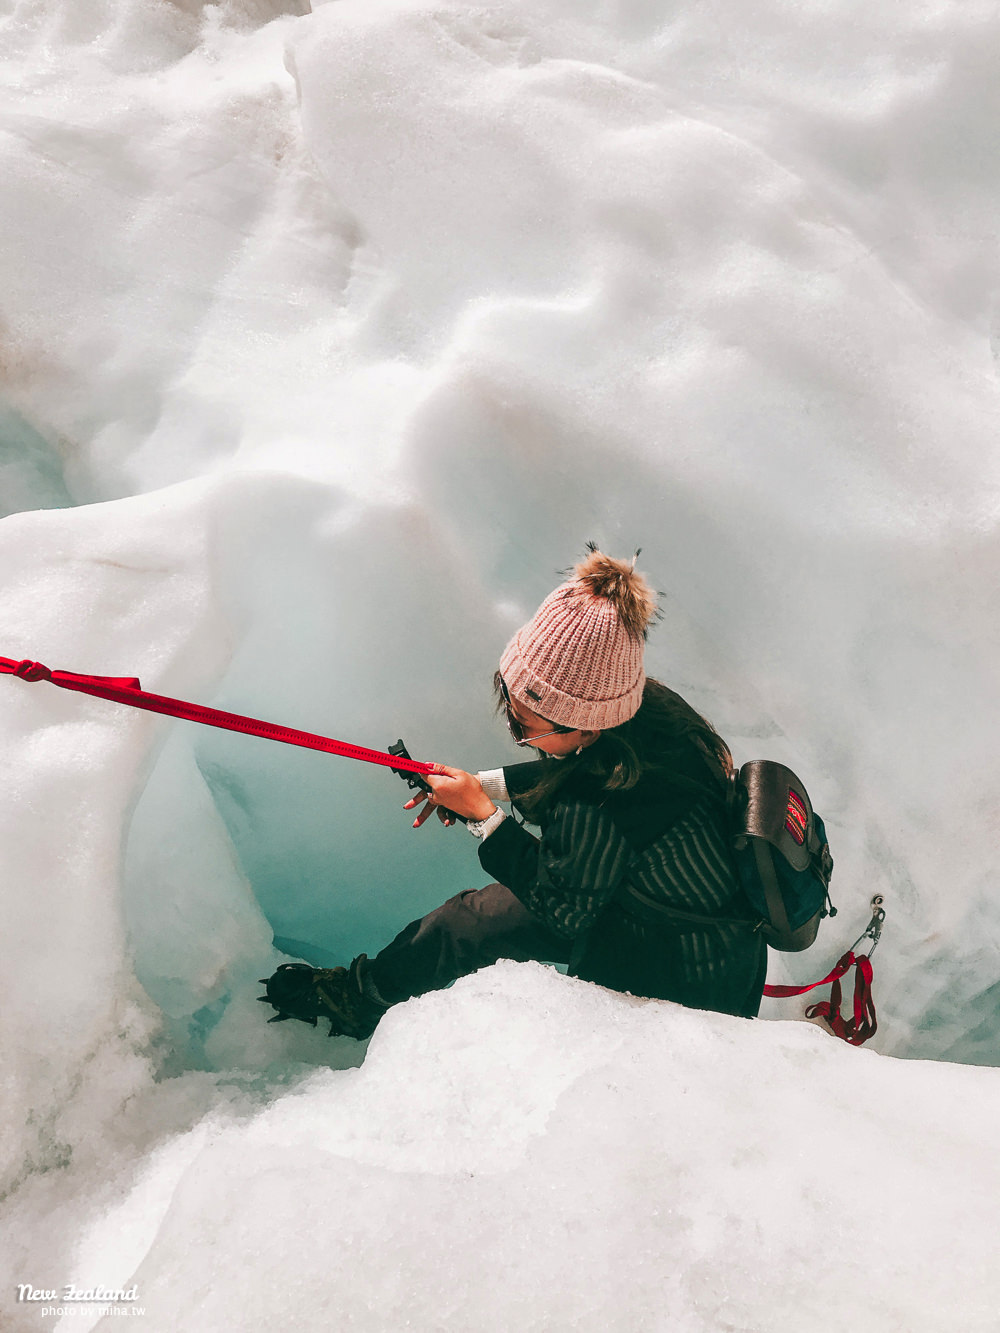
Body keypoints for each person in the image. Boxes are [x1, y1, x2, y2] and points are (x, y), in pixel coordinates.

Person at [258, 546, 767, 1039]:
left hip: (680, 975)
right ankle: (362, 997)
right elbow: (576, 782)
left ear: (587, 727)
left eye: (531, 730)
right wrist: (486, 786)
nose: (521, 739)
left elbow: (561, 910)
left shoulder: (600, 800)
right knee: (466, 923)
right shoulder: (646, 714)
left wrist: (484, 817)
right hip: (657, 909)